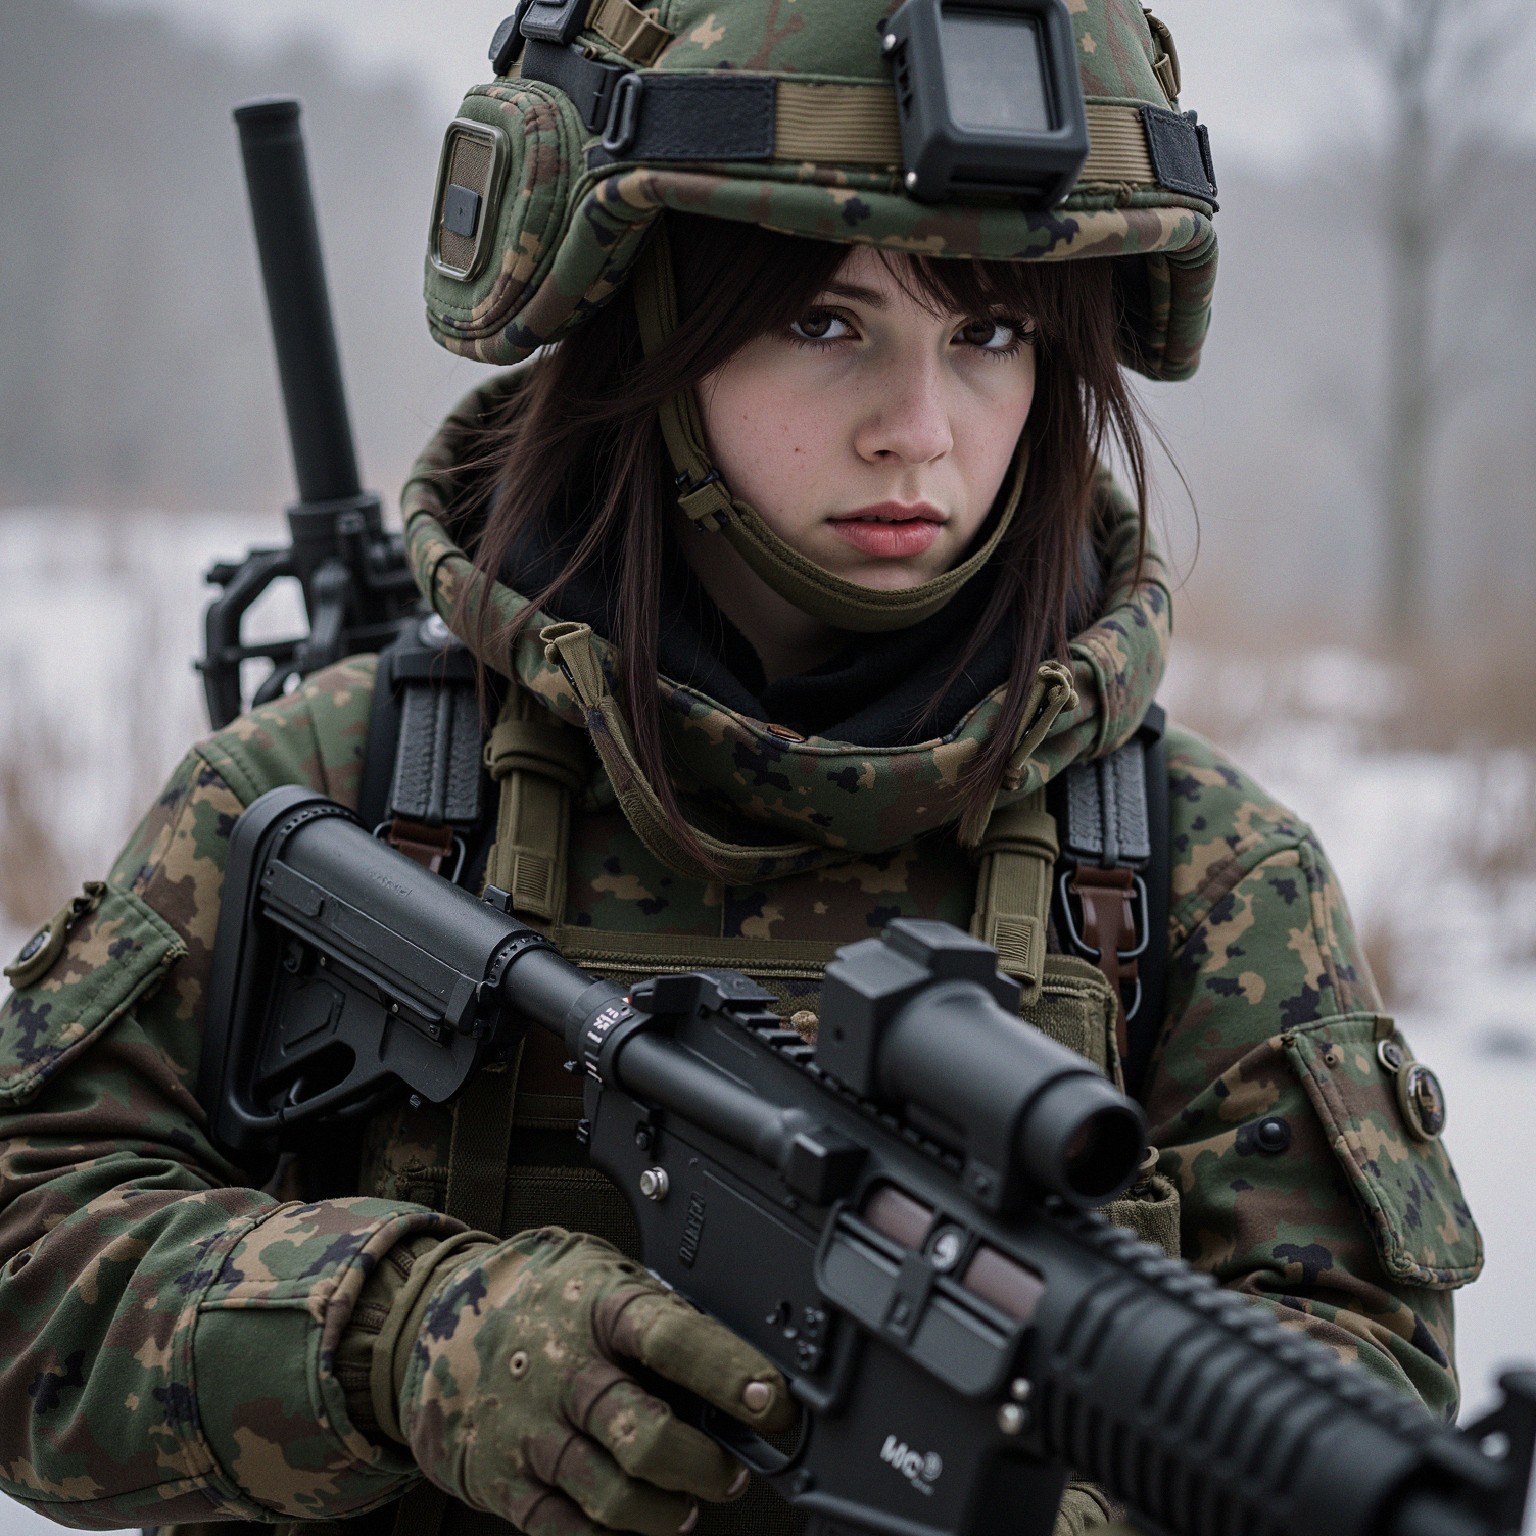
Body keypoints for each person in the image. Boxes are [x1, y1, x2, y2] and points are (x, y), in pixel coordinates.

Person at [0, 3, 1483, 1535]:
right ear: (650, 322)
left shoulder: (1192, 870)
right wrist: (397, 1338)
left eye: (990, 334)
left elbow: (1352, 1388)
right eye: (825, 323)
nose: (919, 433)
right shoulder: (352, 788)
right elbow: (27, 1259)